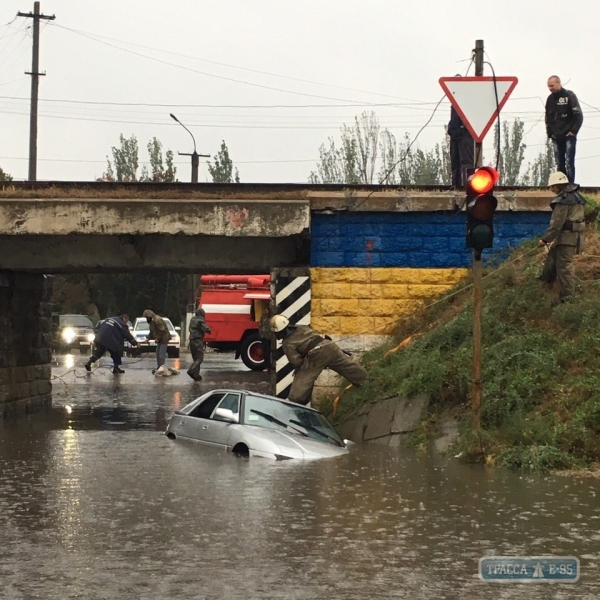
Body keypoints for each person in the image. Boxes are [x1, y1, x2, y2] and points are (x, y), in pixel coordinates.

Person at [270, 314, 367, 406]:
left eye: (276, 333)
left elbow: (296, 362)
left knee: (299, 388)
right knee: (348, 367)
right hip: (329, 346)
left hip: (315, 356)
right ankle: (366, 382)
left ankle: (294, 404)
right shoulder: (302, 327)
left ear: (280, 331)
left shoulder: (287, 343)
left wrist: (303, 366)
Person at [538, 171, 586, 305]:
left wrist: (545, 239)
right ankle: (545, 282)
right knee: (552, 258)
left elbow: (556, 224)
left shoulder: (563, 201)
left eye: (552, 186)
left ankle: (568, 299)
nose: (551, 189)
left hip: (566, 238)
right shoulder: (577, 197)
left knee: (564, 267)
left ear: (559, 185)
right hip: (574, 236)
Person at [545, 76, 583, 183]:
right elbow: (547, 117)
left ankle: (570, 186)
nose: (550, 88)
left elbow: (578, 115)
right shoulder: (550, 99)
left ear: (559, 83)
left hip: (568, 135)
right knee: (559, 163)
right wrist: (550, 133)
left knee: (569, 162)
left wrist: (573, 131)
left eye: (552, 86)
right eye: (548, 86)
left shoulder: (569, 95)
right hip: (556, 136)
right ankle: (562, 186)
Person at [448, 77, 474, 189]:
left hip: (465, 134)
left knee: (466, 163)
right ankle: (456, 185)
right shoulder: (454, 99)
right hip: (455, 135)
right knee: (455, 162)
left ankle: (467, 187)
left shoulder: (467, 99)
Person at [187, 308, 211, 381]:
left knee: (196, 359)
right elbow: (205, 328)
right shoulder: (201, 320)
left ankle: (196, 376)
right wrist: (209, 330)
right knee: (200, 358)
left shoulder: (192, 319)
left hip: (191, 340)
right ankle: (191, 370)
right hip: (198, 340)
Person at [258, 302, 273, 369]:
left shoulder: (271, 317)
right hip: (264, 337)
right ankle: (267, 366)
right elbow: (260, 326)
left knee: (269, 352)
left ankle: (270, 365)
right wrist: (261, 334)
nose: (265, 311)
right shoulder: (263, 317)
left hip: (269, 337)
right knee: (265, 352)